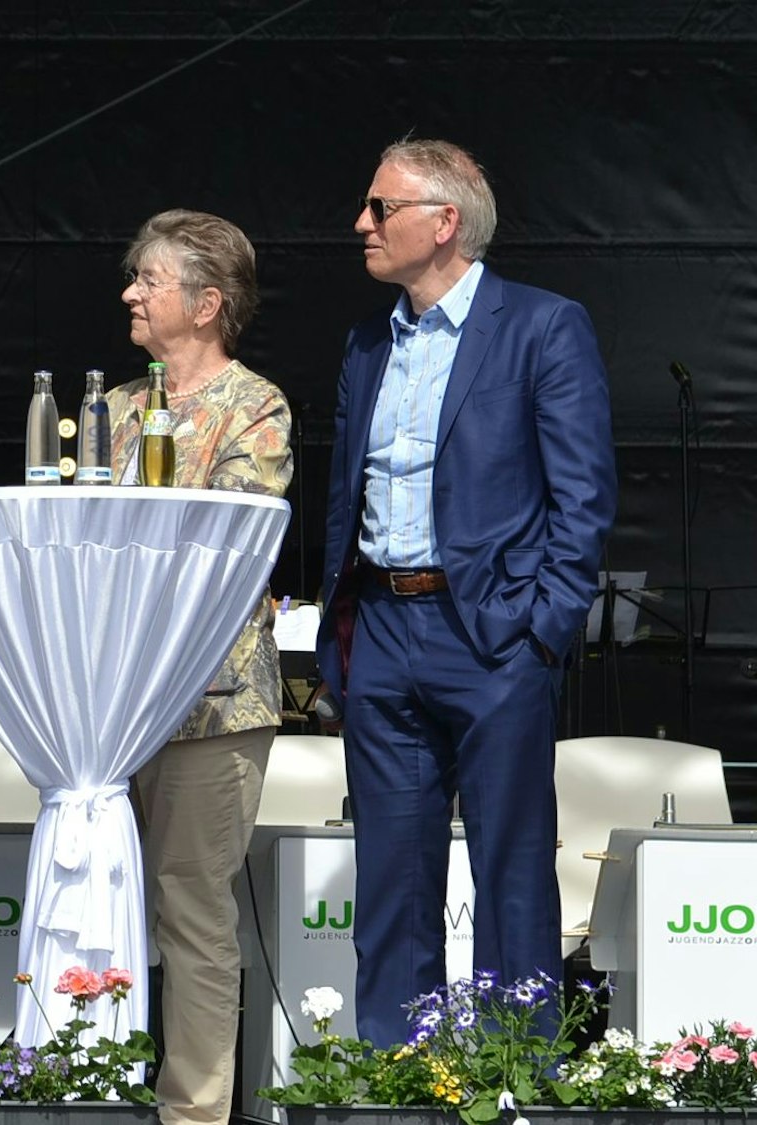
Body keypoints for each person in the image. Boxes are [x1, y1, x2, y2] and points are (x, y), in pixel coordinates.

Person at [315, 138, 617, 1045]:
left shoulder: (542, 325)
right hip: (384, 627)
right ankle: (394, 1068)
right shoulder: (369, 341)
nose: (360, 225)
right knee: (391, 873)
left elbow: (584, 495)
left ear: (443, 223)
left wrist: (542, 630)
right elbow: (344, 495)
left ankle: (514, 1070)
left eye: (380, 208)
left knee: (512, 870)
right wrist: (344, 624)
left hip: (492, 635)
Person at [101, 209, 292, 1125]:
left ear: (207, 303)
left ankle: (195, 1111)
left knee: (192, 910)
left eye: (149, 279)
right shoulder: (113, 407)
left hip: (209, 706)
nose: (130, 293)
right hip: (102, 706)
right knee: (92, 898)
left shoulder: (255, 406)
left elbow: (228, 539)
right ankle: (91, 1089)